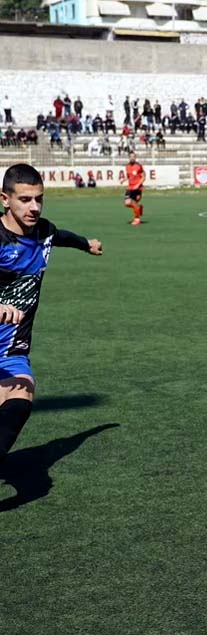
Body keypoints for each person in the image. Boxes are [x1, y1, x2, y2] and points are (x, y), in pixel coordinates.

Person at [0, 163, 103, 468]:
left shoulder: (43, 230)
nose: (34, 207)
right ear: (5, 199)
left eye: (39, 199)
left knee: (20, 402)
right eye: (25, 199)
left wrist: (87, 245)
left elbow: (61, 236)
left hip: (11, 349)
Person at [120, 151, 145, 225]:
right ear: (129, 158)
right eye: (131, 157)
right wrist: (124, 179)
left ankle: (137, 219)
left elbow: (143, 177)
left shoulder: (139, 166)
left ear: (135, 157)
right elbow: (128, 176)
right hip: (130, 187)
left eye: (133, 157)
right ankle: (139, 208)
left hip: (137, 188)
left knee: (133, 202)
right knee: (127, 204)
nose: (132, 158)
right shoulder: (127, 166)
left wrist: (138, 184)